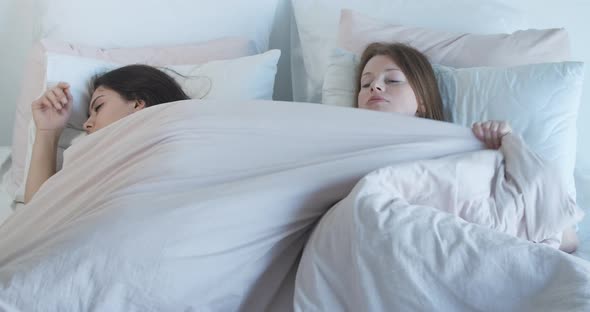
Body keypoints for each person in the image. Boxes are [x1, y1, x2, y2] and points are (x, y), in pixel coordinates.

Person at [356, 42, 578, 252]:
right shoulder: (344, 151)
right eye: (365, 84)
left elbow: (566, 238)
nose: (374, 86)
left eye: (393, 80)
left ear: (422, 101)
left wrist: (510, 149)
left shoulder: (464, 152)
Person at [24, 64, 190, 203]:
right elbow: (35, 217)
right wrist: (47, 132)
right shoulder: (90, 160)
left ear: (138, 103)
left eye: (98, 107)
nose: (86, 124)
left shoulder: (186, 140)